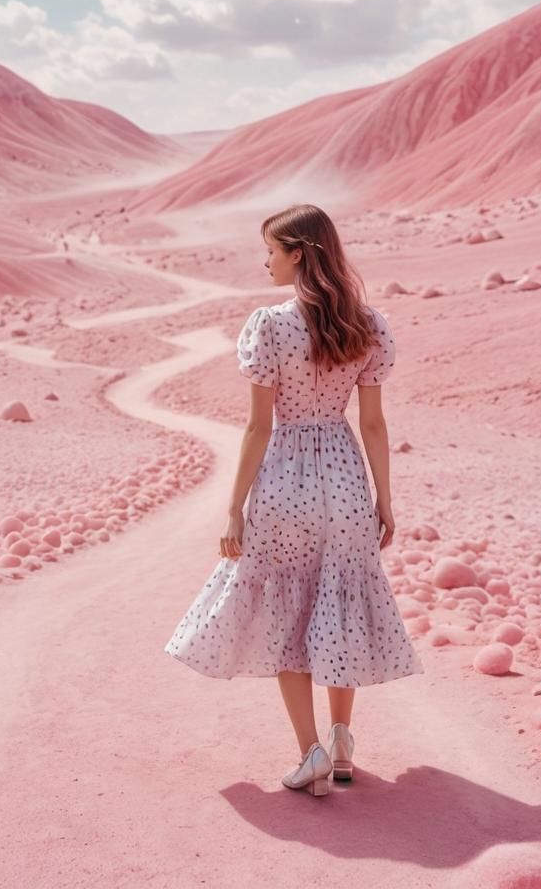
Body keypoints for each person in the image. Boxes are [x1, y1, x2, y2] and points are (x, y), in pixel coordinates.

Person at [164, 203, 423, 798]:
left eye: (273, 251)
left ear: (300, 253)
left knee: (288, 613)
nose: (266, 261)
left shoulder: (270, 326)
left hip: (285, 483)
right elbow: (375, 425)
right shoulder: (368, 325)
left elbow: (257, 428)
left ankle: (307, 753)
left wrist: (233, 507)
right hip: (345, 478)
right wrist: (385, 499)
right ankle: (341, 744)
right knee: (339, 605)